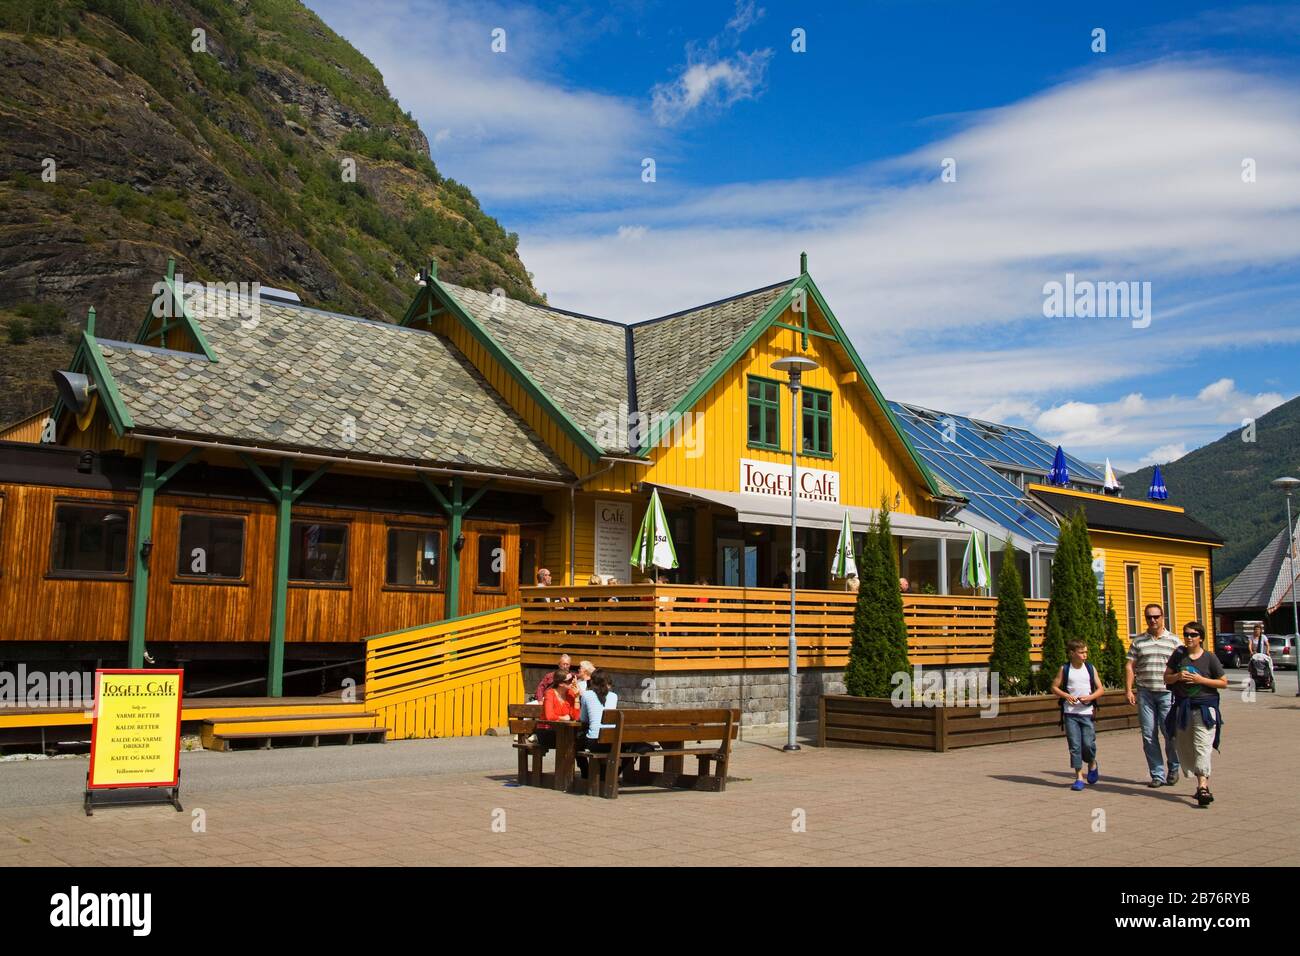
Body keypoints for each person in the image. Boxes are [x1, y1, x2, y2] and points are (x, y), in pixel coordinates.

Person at [1164, 621, 1227, 808]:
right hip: (1183, 708)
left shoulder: (1210, 658)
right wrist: (1177, 677)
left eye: (1193, 634)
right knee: (1184, 747)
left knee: (1202, 745)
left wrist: (1201, 680)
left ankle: (1203, 787)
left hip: (1205, 708)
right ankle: (1199, 778)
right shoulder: (1179, 655)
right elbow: (1166, 677)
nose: (1189, 638)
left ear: (1201, 637)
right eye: (1186, 634)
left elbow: (1223, 682)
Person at [1125, 602, 1182, 787]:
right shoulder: (1138, 641)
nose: (1152, 620)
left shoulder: (1174, 641)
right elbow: (1130, 666)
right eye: (1149, 617)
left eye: (1156, 616)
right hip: (1145, 693)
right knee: (1149, 735)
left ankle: (1174, 767)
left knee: (1169, 734)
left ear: (1162, 617)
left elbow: (1182, 665)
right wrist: (1128, 689)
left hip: (1167, 693)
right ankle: (1157, 774)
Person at [1051, 639, 1104, 790]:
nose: (1084, 655)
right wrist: (1066, 696)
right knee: (1075, 746)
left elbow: (1100, 689)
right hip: (1070, 714)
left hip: (1086, 713)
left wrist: (1090, 697)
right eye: (1081, 653)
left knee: (1088, 744)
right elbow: (1054, 687)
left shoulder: (1090, 668)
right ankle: (1079, 777)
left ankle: (1092, 762)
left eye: (1086, 652)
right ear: (1072, 654)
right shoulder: (1065, 669)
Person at [536, 670, 580, 751]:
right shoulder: (549, 694)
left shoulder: (570, 693)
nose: (572, 682)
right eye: (569, 681)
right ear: (560, 683)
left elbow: (576, 717)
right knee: (573, 742)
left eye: (572, 679)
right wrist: (564, 718)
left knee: (578, 742)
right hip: (547, 731)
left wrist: (577, 696)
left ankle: (577, 764)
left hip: (564, 731)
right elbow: (550, 717)